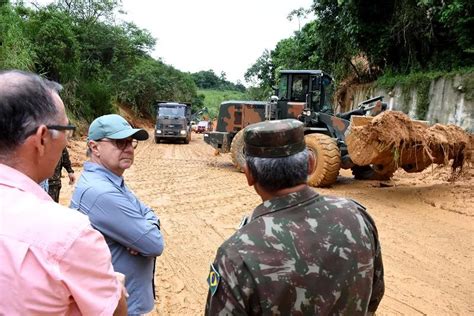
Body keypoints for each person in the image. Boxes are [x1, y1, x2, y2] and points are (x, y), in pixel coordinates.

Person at [205, 119, 385, 315]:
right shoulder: (357, 217)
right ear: (311, 163)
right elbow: (374, 296)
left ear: (249, 175)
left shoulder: (236, 255)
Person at [0, 70, 127, 314]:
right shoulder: (69, 234)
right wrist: (117, 291)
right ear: (42, 139)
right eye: (66, 130)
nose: (67, 141)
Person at [70, 114, 164, 315]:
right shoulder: (102, 192)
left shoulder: (111, 181)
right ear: (95, 147)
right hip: (118, 306)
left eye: (131, 142)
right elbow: (154, 243)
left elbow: (148, 212)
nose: (128, 148)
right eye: (120, 142)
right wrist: (145, 231)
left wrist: (147, 224)